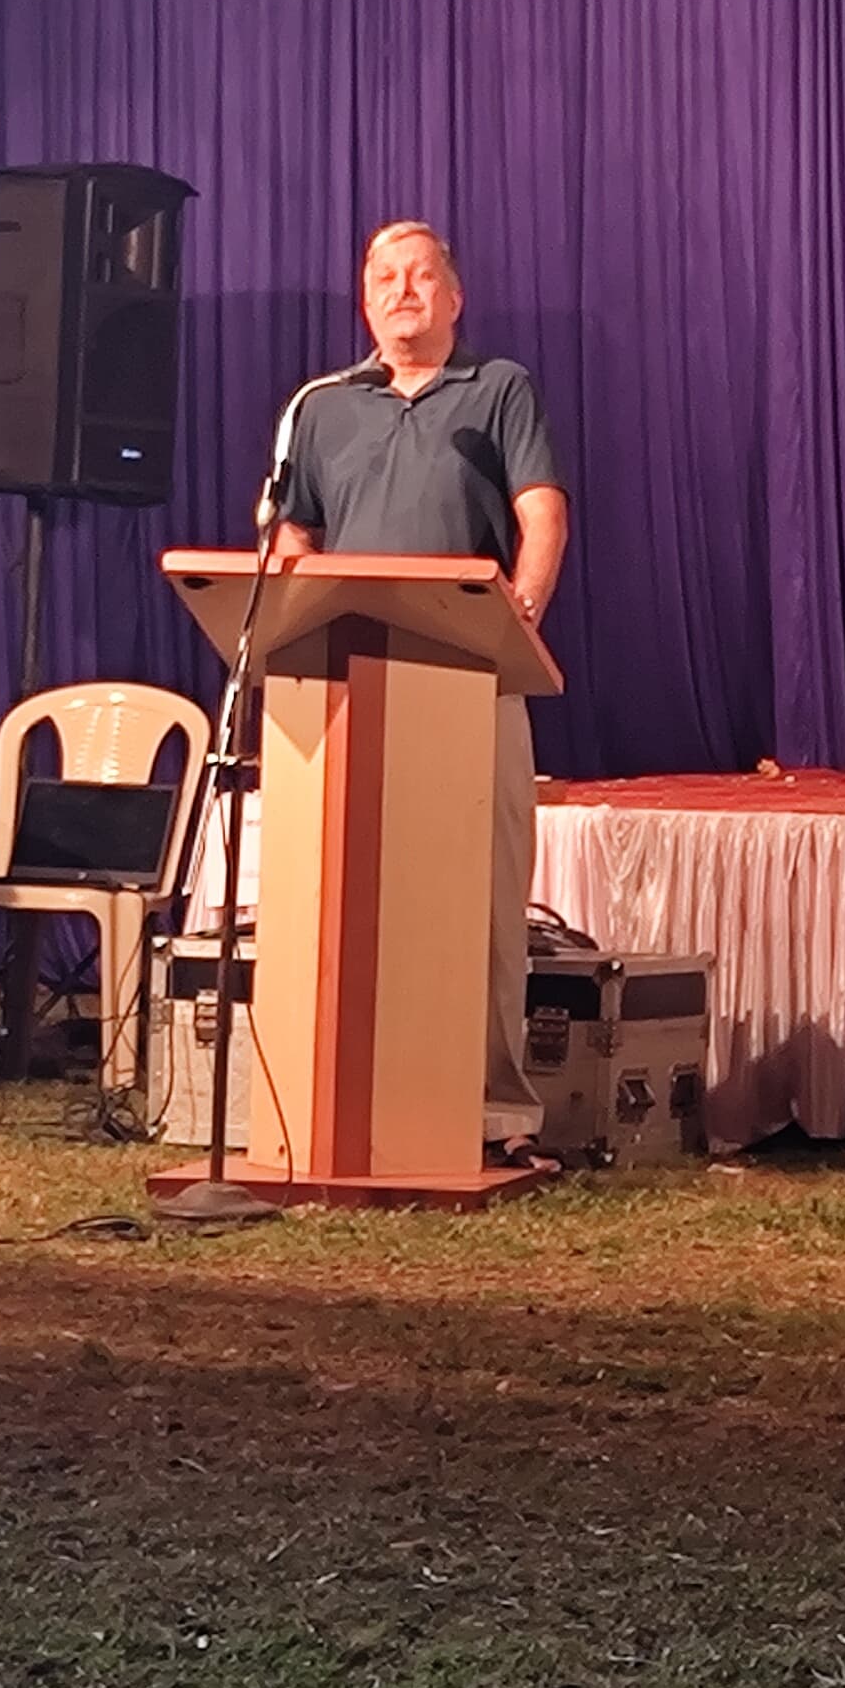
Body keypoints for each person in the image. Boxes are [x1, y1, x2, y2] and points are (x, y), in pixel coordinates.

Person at [269, 224, 569, 1171]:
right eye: (384, 279)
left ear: (454, 297)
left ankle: (494, 1111)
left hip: (472, 671)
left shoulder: (499, 389)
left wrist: (523, 612)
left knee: (483, 901)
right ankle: (332, 1097)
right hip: (350, 684)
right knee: (345, 897)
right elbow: (295, 532)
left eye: (421, 276)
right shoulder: (323, 406)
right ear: (365, 303)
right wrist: (285, 584)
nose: (402, 291)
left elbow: (542, 513)